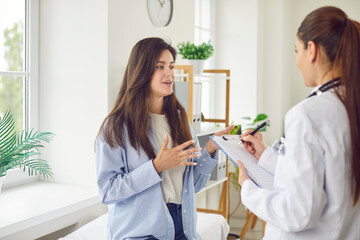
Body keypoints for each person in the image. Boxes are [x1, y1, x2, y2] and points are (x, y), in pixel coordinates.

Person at [236, 6, 360, 239]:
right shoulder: (350, 105)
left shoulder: (307, 114)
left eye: (297, 51)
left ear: (311, 50)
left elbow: (298, 212)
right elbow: (326, 175)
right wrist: (264, 156)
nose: (297, 61)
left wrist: (247, 188)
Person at [95, 37, 233, 240]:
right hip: (140, 233)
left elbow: (191, 186)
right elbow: (107, 192)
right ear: (141, 71)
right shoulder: (117, 126)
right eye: (160, 67)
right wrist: (156, 167)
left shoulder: (180, 119)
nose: (169, 73)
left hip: (183, 227)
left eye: (171, 66)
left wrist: (210, 149)